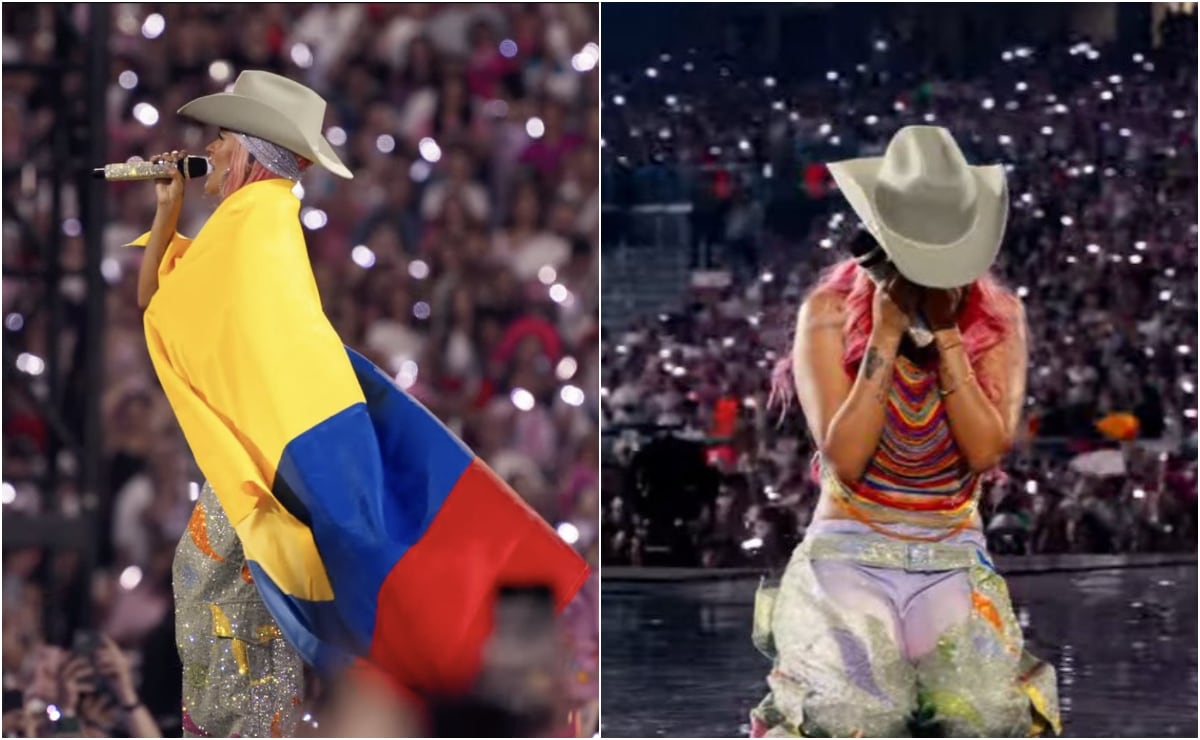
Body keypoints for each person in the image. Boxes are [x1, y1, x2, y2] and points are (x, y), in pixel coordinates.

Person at [127, 70, 587, 735]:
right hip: (268, 457)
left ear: (252, 151)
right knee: (221, 577)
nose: (212, 155)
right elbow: (162, 301)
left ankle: (251, 726)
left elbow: (168, 310)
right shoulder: (250, 223)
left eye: (222, 140)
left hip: (289, 455)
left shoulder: (257, 220)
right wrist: (168, 210)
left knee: (235, 577)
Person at [751, 126, 1061, 738]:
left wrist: (948, 337)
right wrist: (886, 337)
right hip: (849, 549)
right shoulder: (828, 312)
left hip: (951, 554)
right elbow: (845, 456)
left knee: (980, 716)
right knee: (855, 715)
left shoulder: (999, 318)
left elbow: (984, 449)